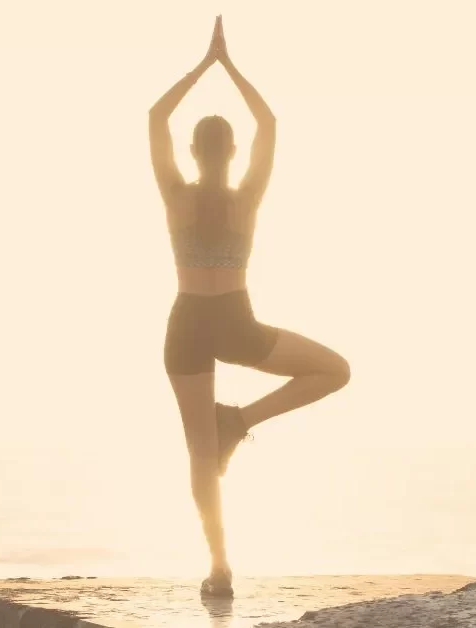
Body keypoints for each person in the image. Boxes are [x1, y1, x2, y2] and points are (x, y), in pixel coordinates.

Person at [148, 16, 351, 598]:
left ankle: (219, 567)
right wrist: (229, 65)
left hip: (187, 323)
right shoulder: (247, 197)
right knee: (335, 370)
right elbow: (269, 122)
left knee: (199, 453)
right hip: (235, 323)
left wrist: (202, 65)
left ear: (192, 150)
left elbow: (155, 118)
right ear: (234, 151)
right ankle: (238, 421)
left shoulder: (176, 196)